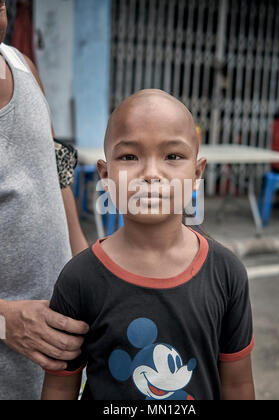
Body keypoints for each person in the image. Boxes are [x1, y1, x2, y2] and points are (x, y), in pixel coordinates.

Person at [41, 89, 255, 401]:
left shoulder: (226, 273)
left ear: (197, 174)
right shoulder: (79, 278)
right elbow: (60, 388)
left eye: (173, 156)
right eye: (129, 156)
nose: (151, 174)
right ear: (105, 174)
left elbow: (237, 385)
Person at [0, 0, 89, 400]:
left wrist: (86, 261)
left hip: (55, 360)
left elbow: (55, 168)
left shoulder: (20, 64)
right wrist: (5, 321)